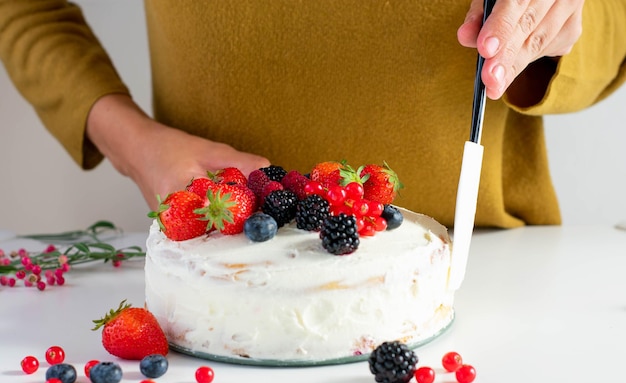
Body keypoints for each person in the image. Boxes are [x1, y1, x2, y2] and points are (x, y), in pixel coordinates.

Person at [1, 1, 625, 228]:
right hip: (222, 266)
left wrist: (556, 25)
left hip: (486, 268)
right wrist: (129, 139)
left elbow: (613, 30)